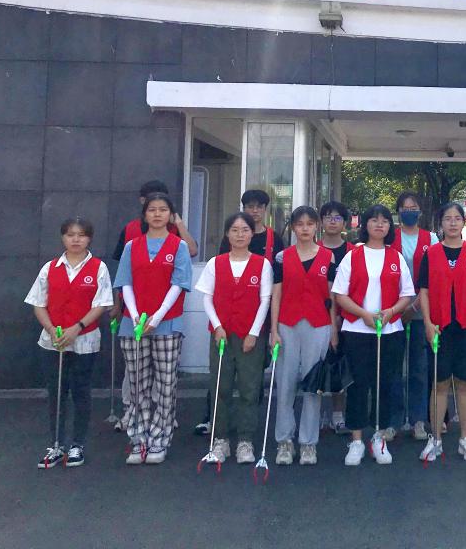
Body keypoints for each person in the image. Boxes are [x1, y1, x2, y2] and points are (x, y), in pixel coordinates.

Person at [332, 205, 416, 466]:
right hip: (357, 330)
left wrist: (391, 312)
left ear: (390, 227)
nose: (380, 225)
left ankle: (378, 438)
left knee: (386, 383)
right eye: (374, 220)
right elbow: (340, 294)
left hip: (389, 330)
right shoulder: (353, 256)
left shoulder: (396, 257)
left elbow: (407, 294)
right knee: (358, 384)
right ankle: (357, 440)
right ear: (365, 225)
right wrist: (363, 314)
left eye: (385, 221)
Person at [25, 218, 113, 468]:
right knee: (57, 392)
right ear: (63, 237)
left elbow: (101, 304)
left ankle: (77, 444)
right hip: (53, 341)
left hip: (85, 340)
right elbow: (38, 303)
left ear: (89, 238)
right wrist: (52, 330)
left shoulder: (98, 267)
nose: (76, 239)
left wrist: (77, 328)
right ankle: (56, 444)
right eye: (70, 234)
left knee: (81, 390)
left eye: (81, 235)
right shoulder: (50, 267)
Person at [113, 192, 193, 465]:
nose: (157, 214)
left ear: (171, 215)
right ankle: (138, 440)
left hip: (167, 323)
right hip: (133, 324)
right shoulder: (131, 246)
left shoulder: (178, 246)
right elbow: (125, 282)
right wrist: (136, 316)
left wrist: (157, 317)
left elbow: (179, 284)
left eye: (163, 210)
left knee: (166, 384)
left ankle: (159, 439)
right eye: (152, 210)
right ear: (144, 214)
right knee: (138, 385)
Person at [196, 188, 279, 436]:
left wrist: (254, 333)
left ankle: (245, 439)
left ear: (252, 233)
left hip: (251, 335)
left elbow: (265, 300)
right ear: (227, 234)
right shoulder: (216, 263)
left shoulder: (263, 264)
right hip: (221, 333)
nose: (240, 235)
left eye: (244, 230)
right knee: (220, 386)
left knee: (249, 388)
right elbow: (207, 297)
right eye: (234, 230)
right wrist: (217, 326)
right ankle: (219, 437)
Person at [417, 203, 466, 462]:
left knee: (464, 383)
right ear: (441, 223)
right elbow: (423, 291)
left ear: (463, 222)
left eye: (457, 218)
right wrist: (427, 323)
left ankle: (465, 439)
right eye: (447, 219)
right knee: (439, 384)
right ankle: (435, 439)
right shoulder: (431, 253)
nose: (452, 223)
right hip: (440, 327)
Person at [268, 207, 337, 466]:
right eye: (300, 224)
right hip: (287, 324)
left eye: (309, 223)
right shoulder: (282, 258)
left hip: (318, 324)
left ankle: (309, 443)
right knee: (285, 383)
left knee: (312, 385)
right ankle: (284, 441)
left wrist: (334, 330)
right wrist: (273, 330)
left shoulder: (328, 257)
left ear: (316, 226)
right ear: (293, 227)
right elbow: (276, 295)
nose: (305, 228)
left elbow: (332, 297)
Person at [388, 191, 439, 441]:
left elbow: (434, 277)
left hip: (421, 310)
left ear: (420, 211)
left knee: (419, 368)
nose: (409, 211)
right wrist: (400, 309)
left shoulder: (431, 239)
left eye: (413, 207)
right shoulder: (390, 238)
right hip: (393, 311)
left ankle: (419, 420)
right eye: (404, 208)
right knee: (394, 368)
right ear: (398, 211)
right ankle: (393, 421)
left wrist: (415, 306)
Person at [318, 200, 355, 434]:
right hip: (316, 316)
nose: (332, 221)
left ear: (344, 223)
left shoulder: (353, 251)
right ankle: (317, 415)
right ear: (321, 222)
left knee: (341, 366)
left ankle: (338, 414)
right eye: (328, 217)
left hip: (347, 318)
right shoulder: (311, 248)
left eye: (337, 217)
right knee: (317, 366)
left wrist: (343, 315)